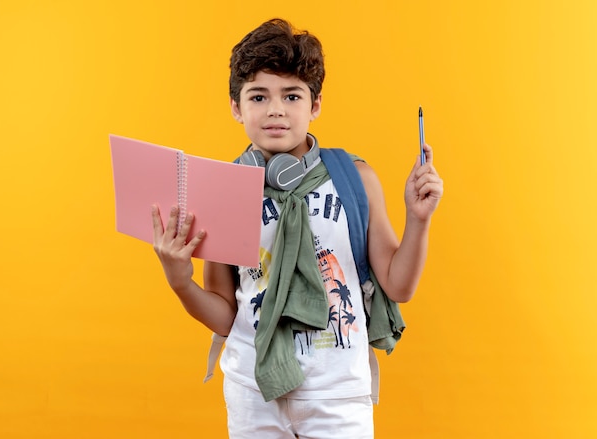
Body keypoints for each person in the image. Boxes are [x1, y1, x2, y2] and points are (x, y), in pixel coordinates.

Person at [151, 18, 443, 439]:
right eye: (258, 96)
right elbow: (224, 316)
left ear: (315, 104)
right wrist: (181, 283)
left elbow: (399, 287)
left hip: (338, 393)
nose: (275, 110)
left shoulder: (355, 178)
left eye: (292, 95)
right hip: (253, 392)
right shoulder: (223, 190)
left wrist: (418, 220)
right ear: (236, 107)